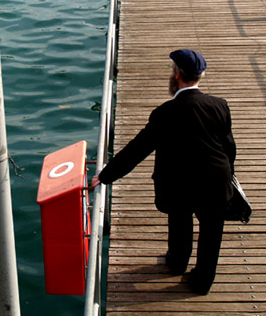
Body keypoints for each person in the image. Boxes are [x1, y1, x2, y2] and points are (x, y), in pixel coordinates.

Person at [89, 49, 236, 294]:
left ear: (177, 75)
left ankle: (177, 262)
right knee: (212, 231)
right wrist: (228, 174)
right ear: (200, 75)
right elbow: (229, 146)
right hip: (216, 179)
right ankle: (202, 282)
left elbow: (137, 150)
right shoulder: (219, 105)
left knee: (180, 219)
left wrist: (105, 176)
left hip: (180, 181)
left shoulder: (165, 113)